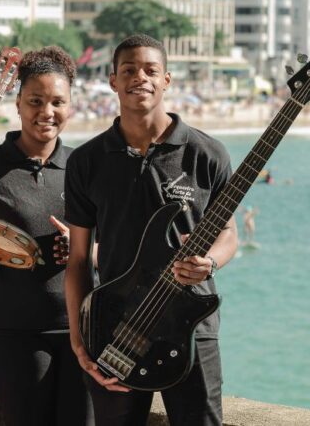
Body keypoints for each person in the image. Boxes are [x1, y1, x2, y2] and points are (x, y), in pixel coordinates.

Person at [65, 34, 238, 425]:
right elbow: (78, 260)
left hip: (193, 324)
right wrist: (79, 340)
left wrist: (209, 263)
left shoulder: (206, 153)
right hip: (114, 327)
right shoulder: (87, 161)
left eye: (150, 70)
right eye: (128, 70)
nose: (139, 78)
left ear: (167, 80)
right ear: (112, 81)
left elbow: (228, 234)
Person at [0, 46, 92, 426]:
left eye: (58, 101)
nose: (47, 112)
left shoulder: (85, 166)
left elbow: (113, 244)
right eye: (36, 101)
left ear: (72, 105)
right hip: (14, 334)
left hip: (86, 329)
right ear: (19, 103)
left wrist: (86, 249)